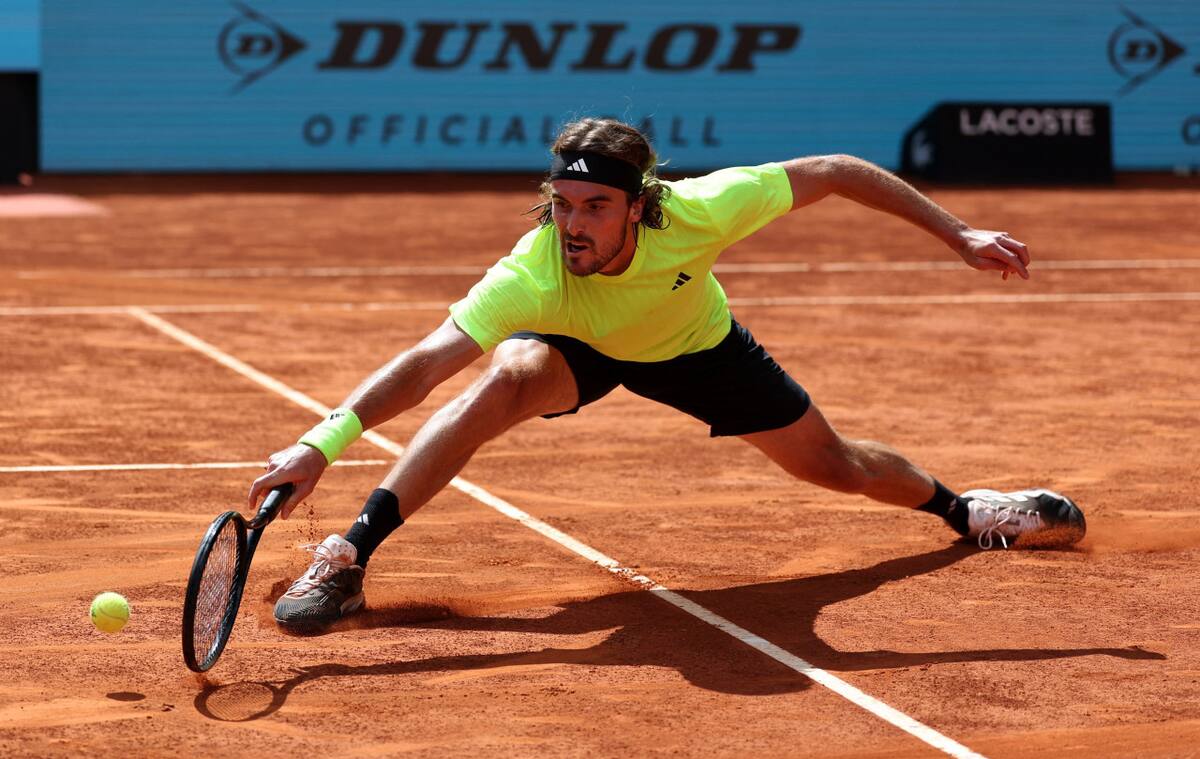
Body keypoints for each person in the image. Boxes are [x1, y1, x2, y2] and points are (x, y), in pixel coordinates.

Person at [250, 118, 1086, 632]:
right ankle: (349, 557)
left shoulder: (701, 209)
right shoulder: (536, 271)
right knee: (500, 380)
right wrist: (322, 442)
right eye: (562, 204)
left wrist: (959, 234)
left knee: (836, 466)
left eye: (595, 207)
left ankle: (966, 509)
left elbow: (836, 170)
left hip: (696, 348)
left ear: (640, 207)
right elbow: (427, 361)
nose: (573, 225)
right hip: (579, 343)